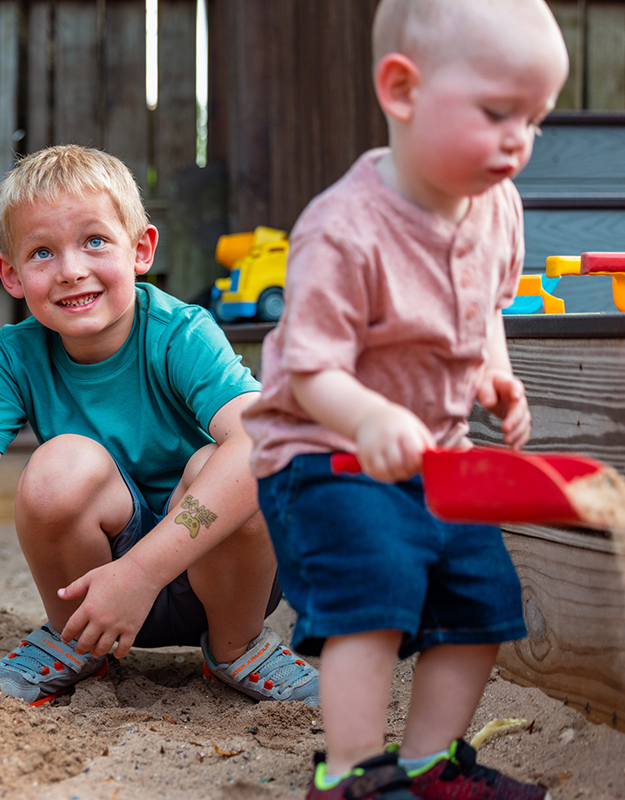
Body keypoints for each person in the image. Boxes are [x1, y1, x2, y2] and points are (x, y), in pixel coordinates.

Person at [242, 0, 568, 798]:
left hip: (435, 457)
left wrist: (496, 372)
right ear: (401, 89)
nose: (518, 140)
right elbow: (309, 372)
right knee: (375, 591)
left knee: (482, 596)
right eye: (498, 113)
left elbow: (488, 305)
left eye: (535, 119)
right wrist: (372, 415)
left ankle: (426, 764)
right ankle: (354, 773)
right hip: (324, 453)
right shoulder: (345, 229)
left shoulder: (499, 207)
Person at [0, 144, 318, 709]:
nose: (71, 270)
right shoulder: (14, 359)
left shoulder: (182, 335)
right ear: (10, 275)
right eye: (41, 253)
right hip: (92, 595)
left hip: (219, 579)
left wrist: (140, 572)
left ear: (141, 249)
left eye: (95, 241)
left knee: (224, 464)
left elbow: (263, 441)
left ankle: (237, 651)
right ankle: (76, 645)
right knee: (58, 467)